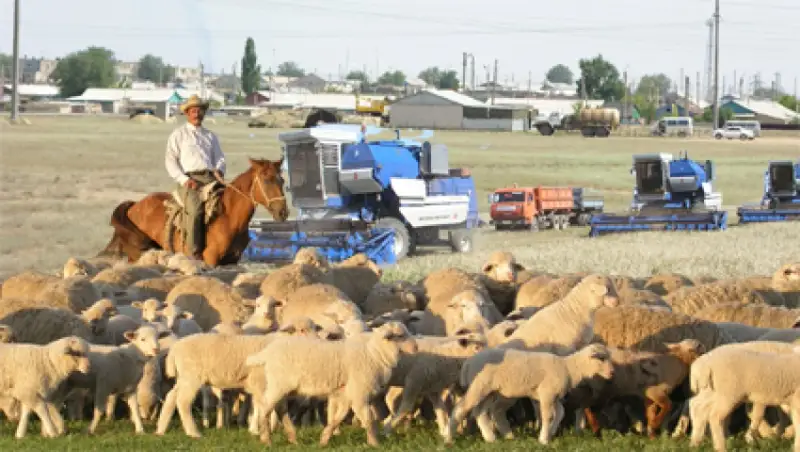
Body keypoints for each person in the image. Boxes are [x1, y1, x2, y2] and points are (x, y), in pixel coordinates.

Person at [165, 94, 226, 259]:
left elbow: (220, 158)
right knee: (196, 209)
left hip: (211, 178)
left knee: (229, 204)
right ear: (187, 113)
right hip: (190, 180)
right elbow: (170, 161)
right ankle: (193, 253)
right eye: (193, 111)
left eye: (200, 111)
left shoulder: (211, 136)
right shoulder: (178, 135)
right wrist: (185, 180)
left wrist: (219, 170)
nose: (197, 114)